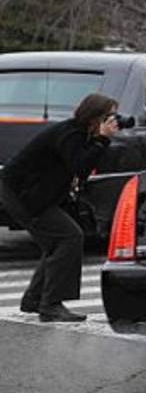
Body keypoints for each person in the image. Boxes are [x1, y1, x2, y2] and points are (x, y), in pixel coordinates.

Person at [0, 94, 120, 322]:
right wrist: (102, 140)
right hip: (22, 194)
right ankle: (51, 304)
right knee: (70, 237)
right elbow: (80, 165)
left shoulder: (80, 133)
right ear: (95, 116)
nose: (114, 121)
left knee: (55, 243)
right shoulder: (70, 134)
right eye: (109, 116)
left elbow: (82, 170)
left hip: (31, 193)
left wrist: (99, 141)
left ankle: (35, 299)